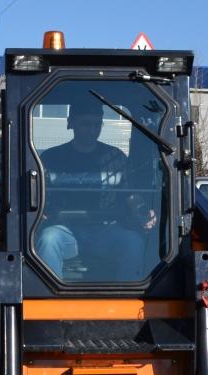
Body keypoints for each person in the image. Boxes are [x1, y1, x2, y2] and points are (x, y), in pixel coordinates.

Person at [36, 96, 157, 281]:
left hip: (105, 231)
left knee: (133, 243)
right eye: (86, 124)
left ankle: (126, 300)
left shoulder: (115, 158)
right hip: (64, 230)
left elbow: (130, 194)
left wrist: (142, 211)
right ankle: (48, 298)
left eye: (97, 124)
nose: (92, 130)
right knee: (48, 239)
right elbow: (39, 196)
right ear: (71, 124)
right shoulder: (52, 158)